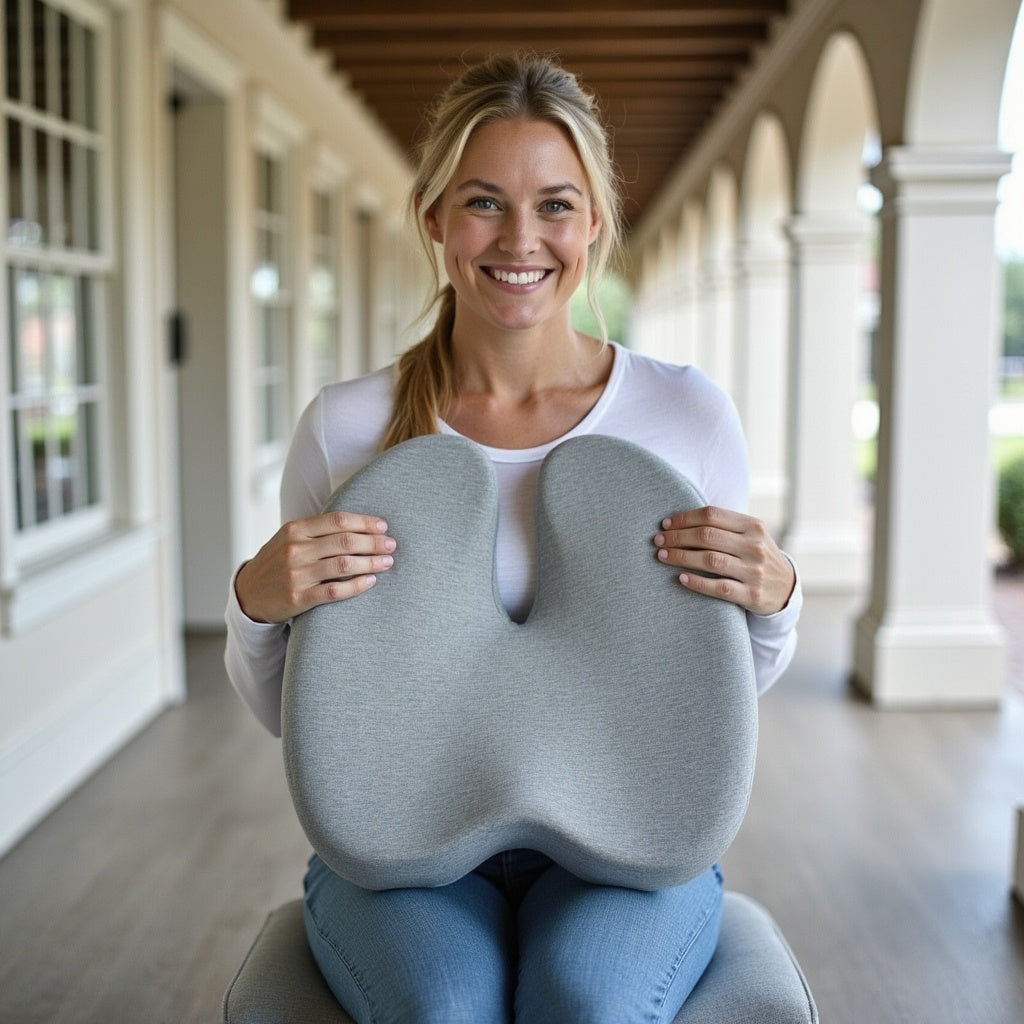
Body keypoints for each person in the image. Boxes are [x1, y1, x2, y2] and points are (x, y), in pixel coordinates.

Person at [225, 52, 801, 1024]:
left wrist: (774, 601)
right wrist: (255, 604)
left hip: (628, 828)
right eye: (484, 202)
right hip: (403, 837)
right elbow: (306, 719)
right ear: (434, 219)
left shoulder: (682, 417)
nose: (519, 237)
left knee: (588, 1002)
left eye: (555, 205)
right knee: (441, 1008)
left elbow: (710, 696)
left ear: (595, 225)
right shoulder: (349, 430)